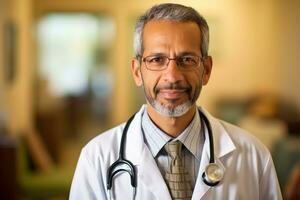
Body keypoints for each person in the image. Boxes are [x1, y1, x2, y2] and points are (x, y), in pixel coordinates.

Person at [69, 3, 282, 200]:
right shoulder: (96, 158)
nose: (172, 76)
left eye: (187, 60)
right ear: (136, 71)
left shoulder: (255, 156)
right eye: (156, 60)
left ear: (206, 70)